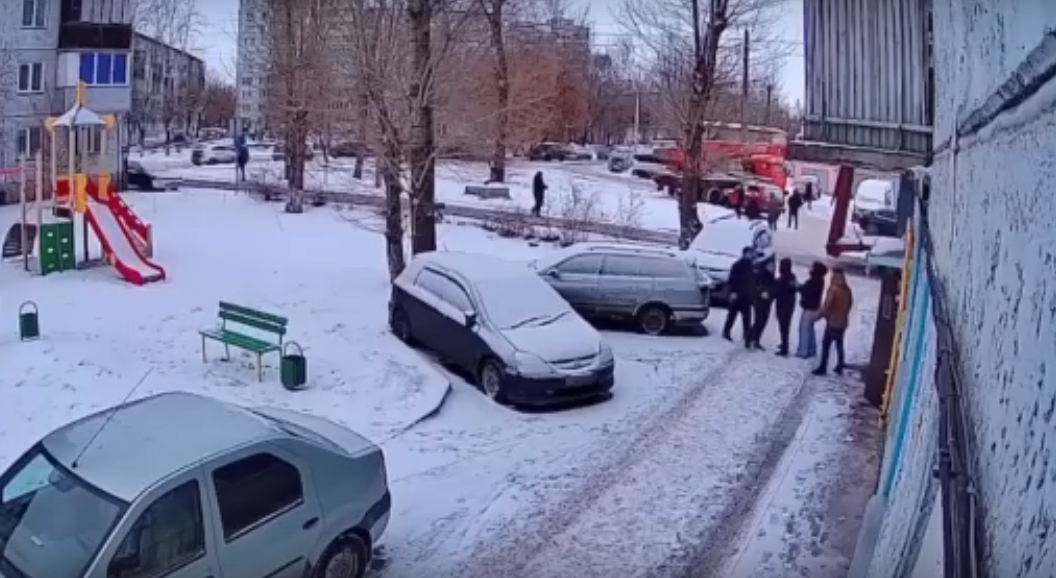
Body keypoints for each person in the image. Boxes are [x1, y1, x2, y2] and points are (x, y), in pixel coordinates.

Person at [814, 268, 854, 375]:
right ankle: (840, 365)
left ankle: (823, 367)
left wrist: (818, 316)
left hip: (832, 323)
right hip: (843, 323)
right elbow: (850, 304)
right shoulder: (847, 289)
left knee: (826, 345)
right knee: (839, 344)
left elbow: (827, 306)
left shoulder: (833, 289)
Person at [723, 247, 757, 346]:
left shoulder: (752, 266)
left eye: (751, 254)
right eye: (748, 253)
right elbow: (732, 280)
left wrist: (753, 295)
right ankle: (726, 332)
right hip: (737, 295)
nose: (750, 255)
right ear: (744, 254)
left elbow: (752, 282)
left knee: (747, 318)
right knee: (732, 315)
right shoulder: (737, 265)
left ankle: (747, 336)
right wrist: (732, 292)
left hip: (747, 296)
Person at [796, 261, 828, 358]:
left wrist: (799, 287)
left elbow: (807, 291)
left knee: (804, 330)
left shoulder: (813, 281)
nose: (810, 268)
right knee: (809, 329)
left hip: (809, 309)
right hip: (815, 308)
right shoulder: (819, 280)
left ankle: (803, 351)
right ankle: (811, 349)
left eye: (812, 267)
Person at [748, 259, 776, 350]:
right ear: (766, 266)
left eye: (773, 266)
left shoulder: (772, 277)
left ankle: (756, 339)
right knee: (758, 321)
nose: (772, 268)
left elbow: (773, 289)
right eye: (771, 266)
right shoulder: (761, 275)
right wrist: (761, 292)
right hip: (759, 302)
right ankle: (750, 338)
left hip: (767, 303)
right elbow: (755, 287)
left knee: (763, 322)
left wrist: (771, 294)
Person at [773, 258, 798, 356]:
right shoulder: (790, 277)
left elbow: (791, 288)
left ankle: (785, 348)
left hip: (785, 305)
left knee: (784, 327)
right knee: (783, 326)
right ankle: (784, 344)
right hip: (786, 304)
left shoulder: (786, 278)